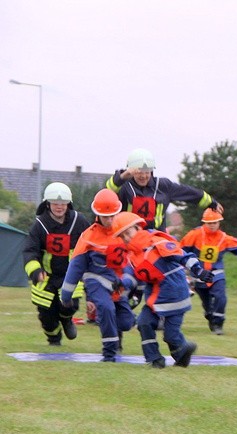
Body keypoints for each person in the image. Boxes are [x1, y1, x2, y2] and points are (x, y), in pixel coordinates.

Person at [112, 212, 214, 368]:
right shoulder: (131, 256)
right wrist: (121, 283)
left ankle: (182, 352)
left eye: (128, 232)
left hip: (174, 292)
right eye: (122, 236)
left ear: (138, 228)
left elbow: (182, 256)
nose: (126, 238)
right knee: (144, 323)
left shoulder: (155, 242)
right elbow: (130, 275)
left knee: (171, 335)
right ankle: (155, 359)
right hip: (155, 295)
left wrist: (198, 271)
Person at [61, 189, 136, 362]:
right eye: (105, 217)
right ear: (97, 215)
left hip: (117, 284)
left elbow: (132, 263)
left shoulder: (125, 234)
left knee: (126, 322)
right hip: (95, 281)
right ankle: (109, 354)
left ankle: (112, 320)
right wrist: (66, 296)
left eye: (112, 216)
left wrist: (127, 282)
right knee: (106, 308)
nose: (109, 220)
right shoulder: (88, 236)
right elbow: (75, 268)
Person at [22, 182, 91, 346]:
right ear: (47, 203)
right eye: (55, 203)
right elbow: (30, 251)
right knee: (46, 315)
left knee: (69, 305)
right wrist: (36, 271)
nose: (59, 207)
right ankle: (54, 339)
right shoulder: (39, 225)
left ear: (68, 204)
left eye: (63, 204)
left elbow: (91, 241)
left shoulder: (79, 221)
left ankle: (67, 320)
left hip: (71, 276)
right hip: (46, 277)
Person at [105, 148, 224, 232]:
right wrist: (122, 177)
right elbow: (107, 193)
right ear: (131, 171)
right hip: (130, 239)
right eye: (139, 172)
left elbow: (188, 192)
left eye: (146, 172)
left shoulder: (163, 186)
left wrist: (211, 202)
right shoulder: (124, 186)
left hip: (157, 239)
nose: (143, 176)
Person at [180, 208, 237, 335]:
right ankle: (210, 316)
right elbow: (180, 250)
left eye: (215, 222)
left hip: (216, 273)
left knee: (221, 297)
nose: (212, 225)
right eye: (209, 223)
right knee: (207, 304)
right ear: (204, 223)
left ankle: (218, 324)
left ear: (219, 222)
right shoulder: (194, 234)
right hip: (198, 274)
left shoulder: (225, 238)